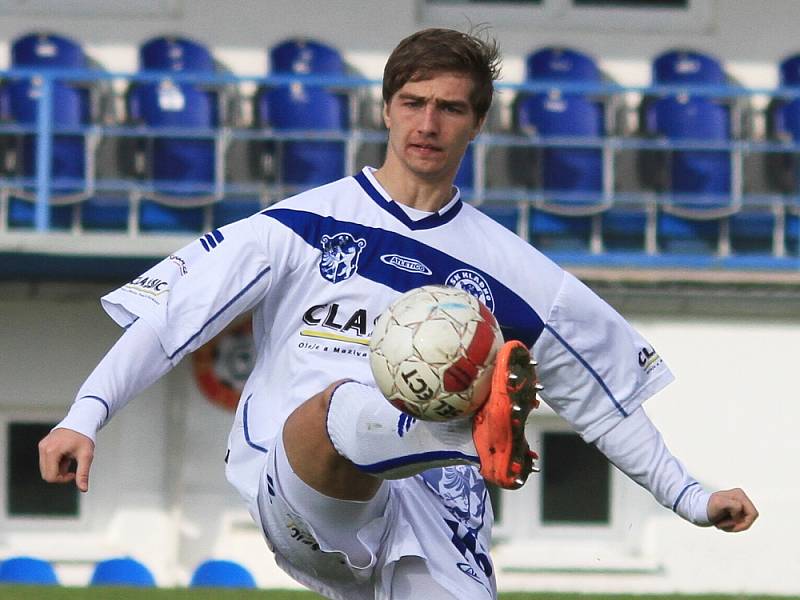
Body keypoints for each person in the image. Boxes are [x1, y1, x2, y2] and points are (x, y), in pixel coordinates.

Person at [38, 27, 758, 599]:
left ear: (477, 124)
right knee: (338, 403)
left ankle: (457, 443)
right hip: (301, 487)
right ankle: (461, 432)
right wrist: (85, 414)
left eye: (450, 108)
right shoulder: (300, 226)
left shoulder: (520, 274)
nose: (428, 122)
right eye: (413, 102)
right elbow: (171, 321)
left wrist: (693, 498)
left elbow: (604, 406)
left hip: (435, 514)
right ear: (386, 108)